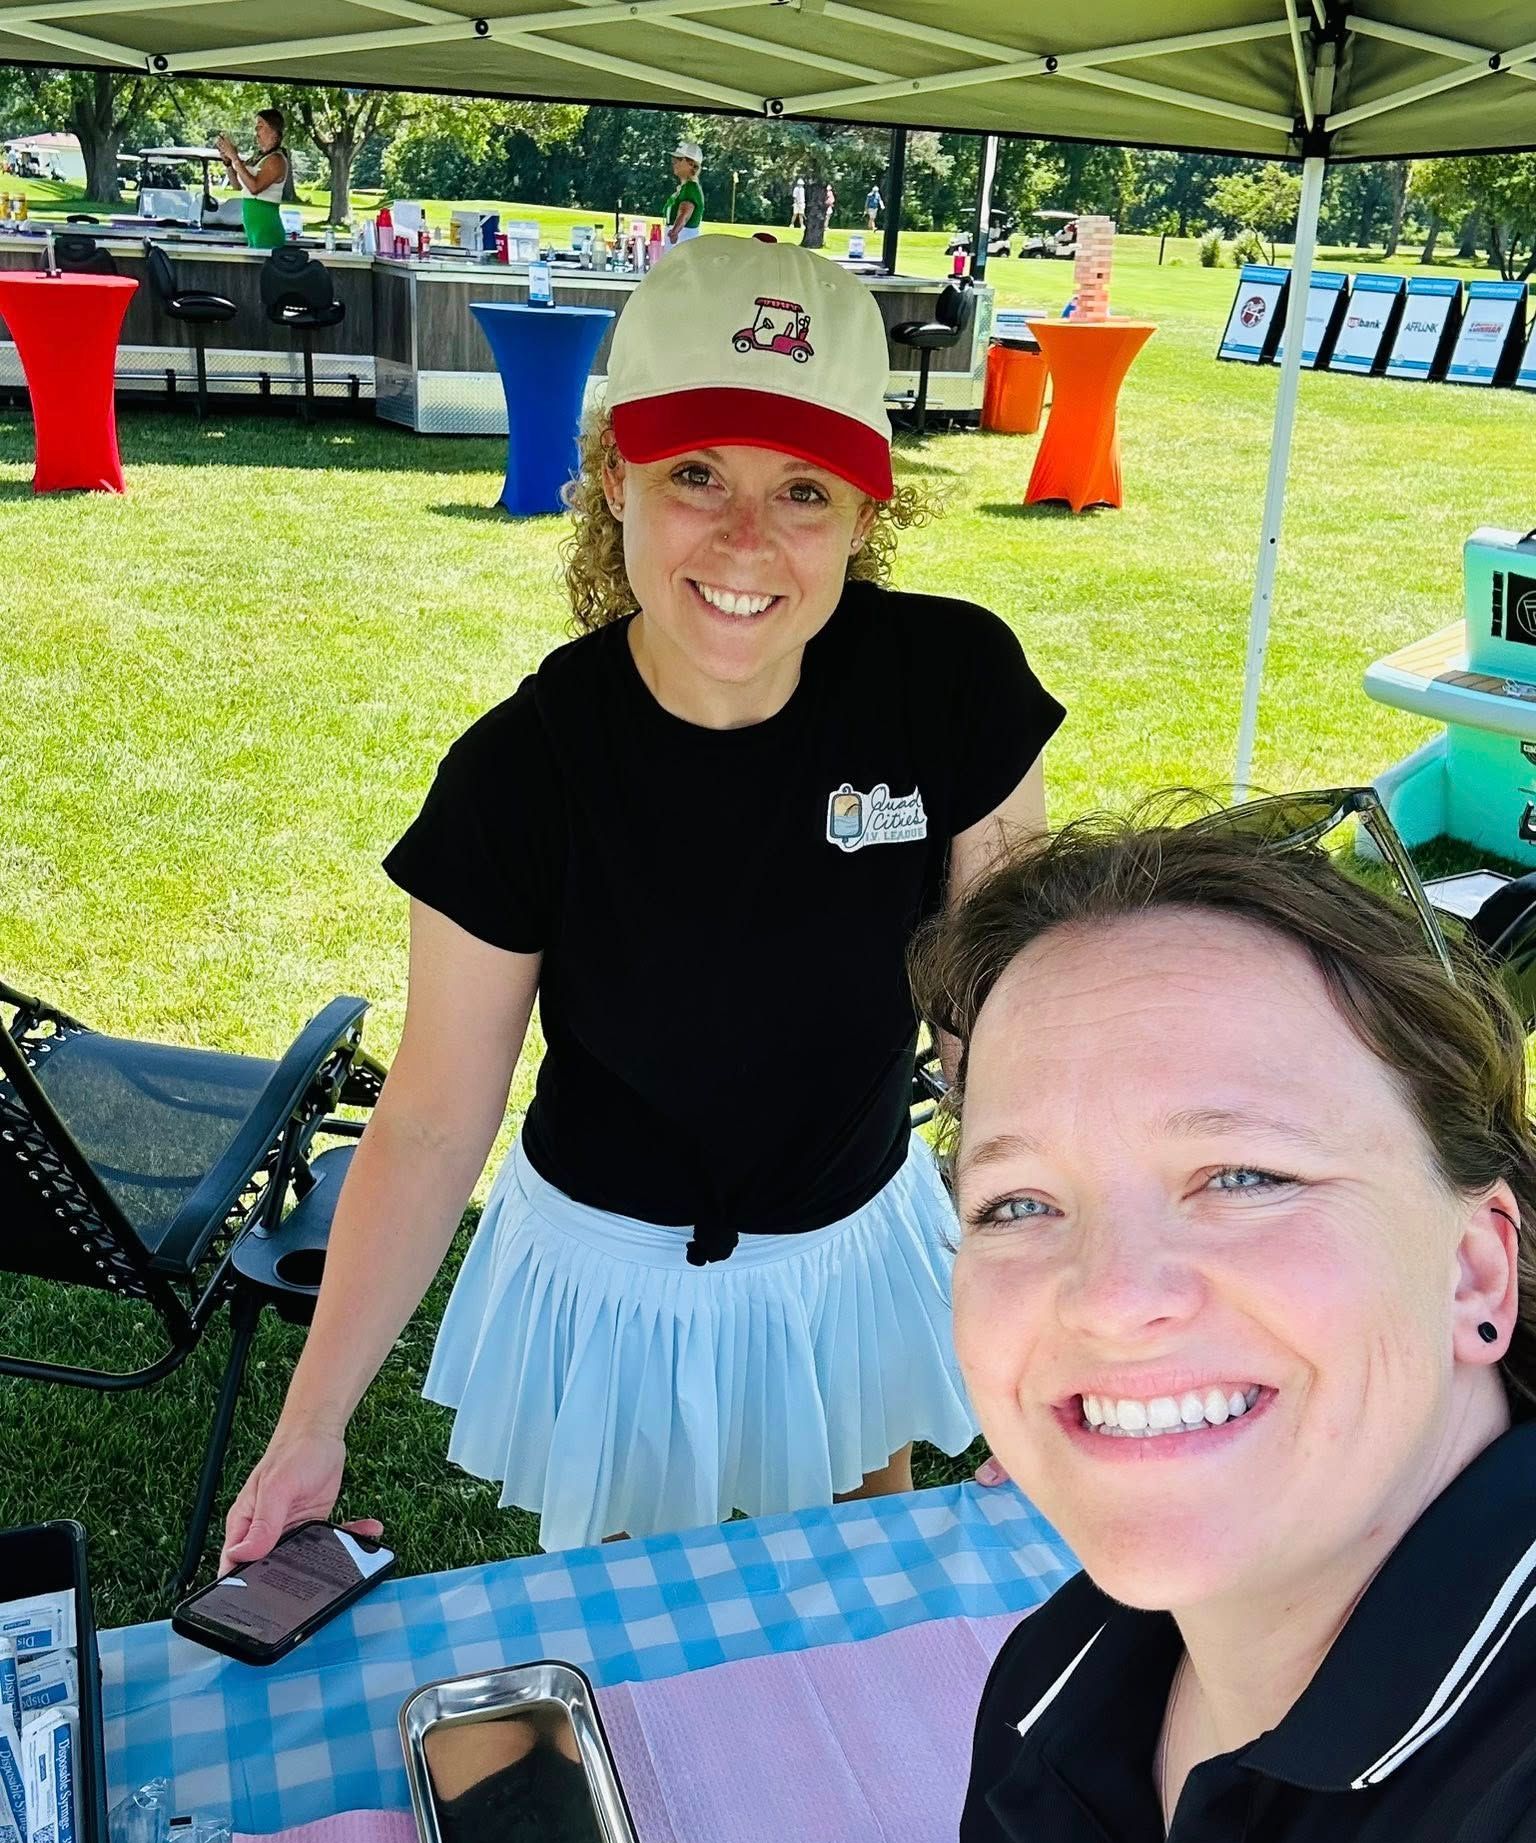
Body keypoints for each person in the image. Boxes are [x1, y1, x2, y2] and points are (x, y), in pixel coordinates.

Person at [220, 234, 1062, 1574]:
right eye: (694, 477)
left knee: (856, 1573)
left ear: (865, 513)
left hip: (850, 1236)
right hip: (617, 1273)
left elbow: (1003, 1031)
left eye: (802, 490)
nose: (745, 540)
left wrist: (1050, 1316)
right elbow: (437, 1113)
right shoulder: (524, 772)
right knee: (632, 1624)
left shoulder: (949, 684)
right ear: (614, 481)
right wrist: (309, 1424)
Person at [911, 794, 1536, 1843]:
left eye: (1243, 1175)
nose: (1113, 1297)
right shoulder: (1055, 1689)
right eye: (1020, 1200)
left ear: (1475, 1267)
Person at [216, 107, 288, 250]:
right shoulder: (257, 158)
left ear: (274, 132)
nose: (256, 131)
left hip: (267, 227)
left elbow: (255, 187)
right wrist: (229, 163)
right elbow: (237, 185)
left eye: (261, 126)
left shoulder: (276, 160)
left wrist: (235, 158)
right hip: (253, 229)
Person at [663, 140, 704, 246]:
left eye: (679, 159)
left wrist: (674, 232)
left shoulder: (690, 187)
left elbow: (685, 211)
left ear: (691, 164)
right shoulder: (685, 187)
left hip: (681, 243)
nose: (674, 162)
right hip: (680, 244)